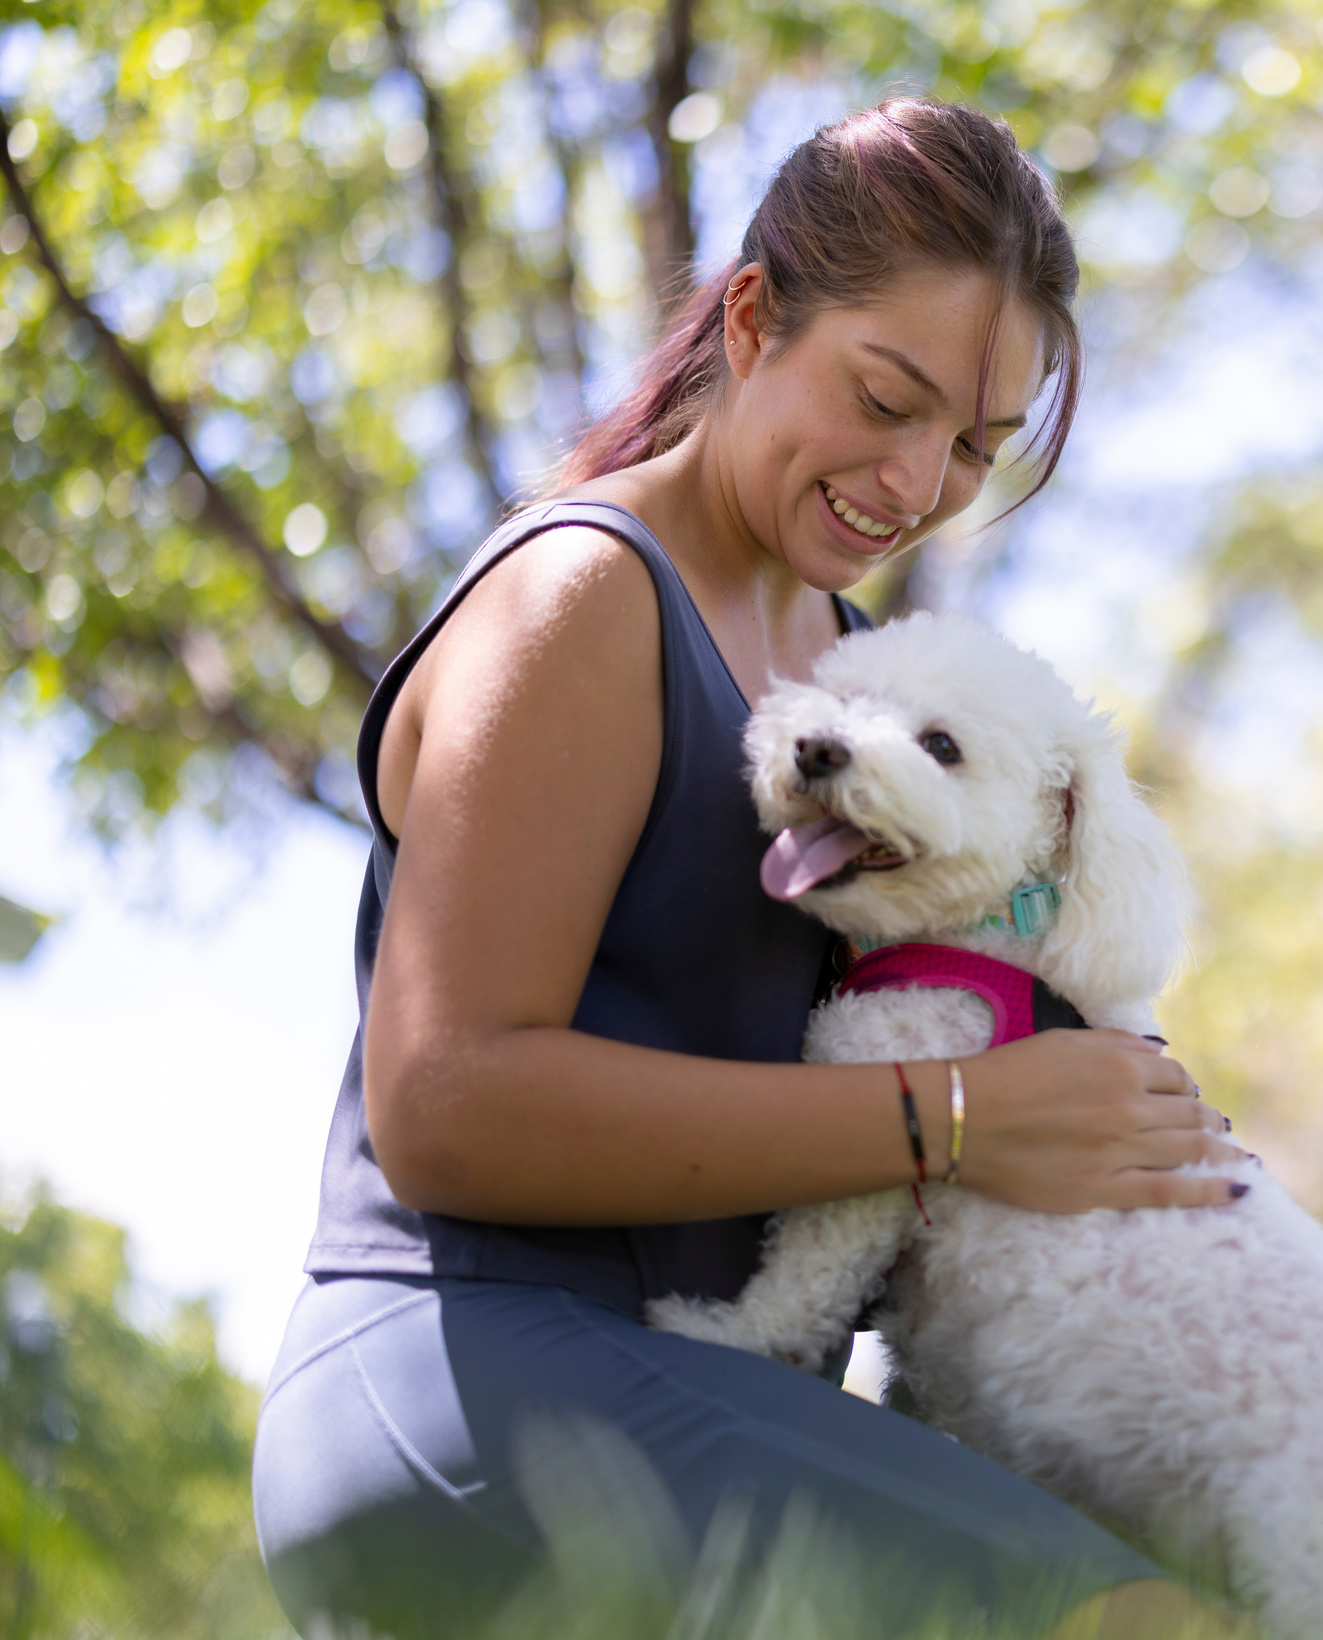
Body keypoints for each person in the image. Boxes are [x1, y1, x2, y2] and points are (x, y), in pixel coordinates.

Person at [250, 97, 1247, 1640]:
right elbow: (444, 1107)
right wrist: (962, 1121)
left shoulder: (861, 679)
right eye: (886, 398)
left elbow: (964, 1001)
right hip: (480, 1379)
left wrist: (1099, 1107)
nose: (918, 483)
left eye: (974, 446)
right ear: (753, 315)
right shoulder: (582, 597)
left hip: (725, 1385)